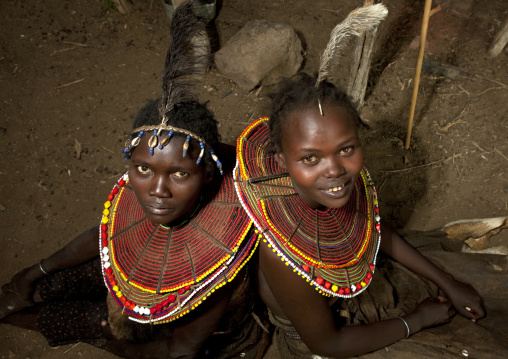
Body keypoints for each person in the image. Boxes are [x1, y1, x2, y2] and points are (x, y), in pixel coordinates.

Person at [0, 3, 265, 358]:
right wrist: (35, 272)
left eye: (180, 174)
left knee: (99, 321)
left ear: (208, 174)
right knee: (52, 283)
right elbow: (109, 232)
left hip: (191, 328)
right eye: (143, 169)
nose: (157, 189)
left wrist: (117, 346)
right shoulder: (158, 191)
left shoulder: (218, 256)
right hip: (150, 266)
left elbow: (180, 349)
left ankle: (16, 317)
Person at [233, 72, 506, 358]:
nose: (334, 169)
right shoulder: (280, 251)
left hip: (355, 296)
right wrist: (417, 320)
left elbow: (370, 228)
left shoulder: (332, 188)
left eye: (346, 149)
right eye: (310, 158)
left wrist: (446, 281)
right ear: (281, 160)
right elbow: (328, 344)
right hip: (326, 343)